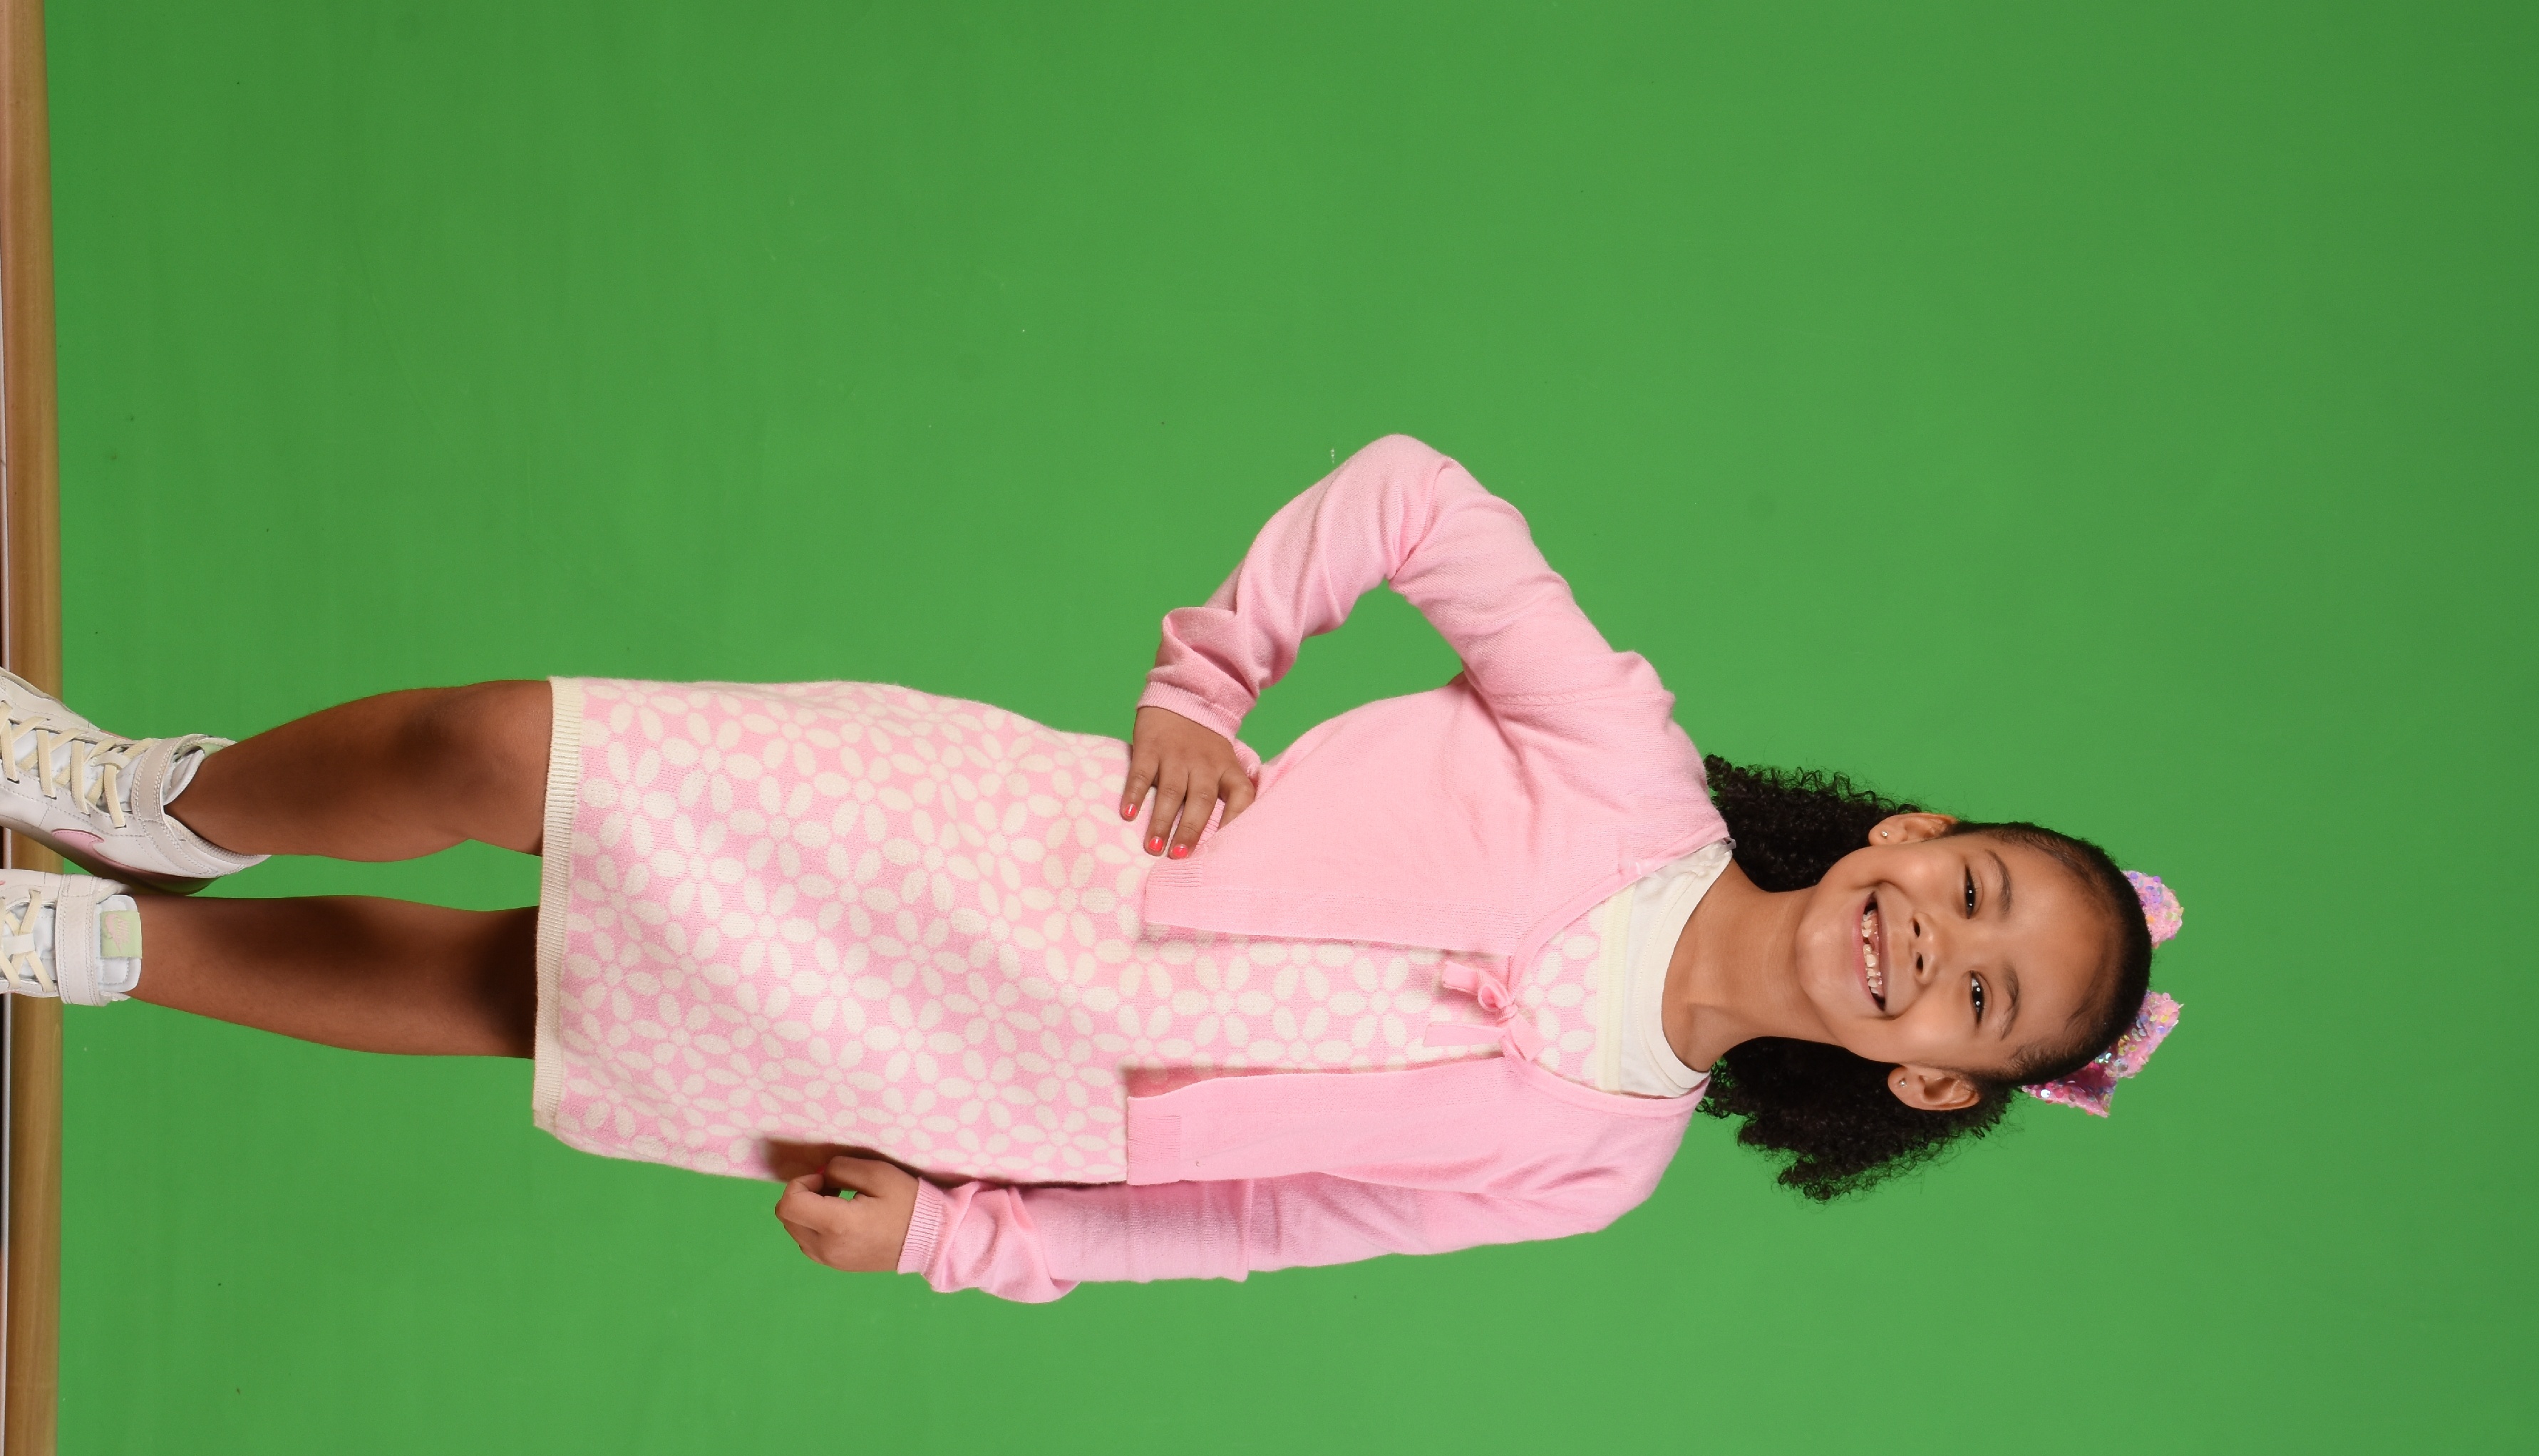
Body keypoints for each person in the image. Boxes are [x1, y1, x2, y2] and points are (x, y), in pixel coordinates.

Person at [0, 435, 2180, 1303]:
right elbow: (1414, 498)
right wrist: (1209, 685)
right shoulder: (1626, 768)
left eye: (1977, 1000)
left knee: (521, 995)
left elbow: (1255, 1226)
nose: (1933, 945)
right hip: (1001, 848)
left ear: (1928, 1081)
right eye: (1974, 887)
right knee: (509, 757)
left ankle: (86, 946)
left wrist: (963, 1239)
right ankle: (144, 800)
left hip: (993, 1082)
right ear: (1914, 834)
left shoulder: (1590, 1167)